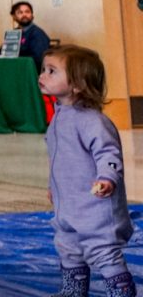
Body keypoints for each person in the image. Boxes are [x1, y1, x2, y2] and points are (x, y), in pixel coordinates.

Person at [38, 45, 136, 297]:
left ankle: (121, 291)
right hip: (68, 204)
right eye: (43, 69)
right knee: (67, 245)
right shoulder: (59, 118)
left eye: (52, 71)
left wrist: (107, 178)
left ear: (77, 84)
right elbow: (59, 159)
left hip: (95, 206)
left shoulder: (92, 121)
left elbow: (109, 154)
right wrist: (54, 186)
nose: (43, 75)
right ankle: (73, 289)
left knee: (102, 249)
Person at [12, 0, 51, 73]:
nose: (24, 15)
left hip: (30, 73)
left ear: (32, 15)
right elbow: (2, 54)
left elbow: (38, 60)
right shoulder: (13, 34)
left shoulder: (37, 33)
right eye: (20, 12)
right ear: (14, 17)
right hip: (13, 69)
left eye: (27, 12)